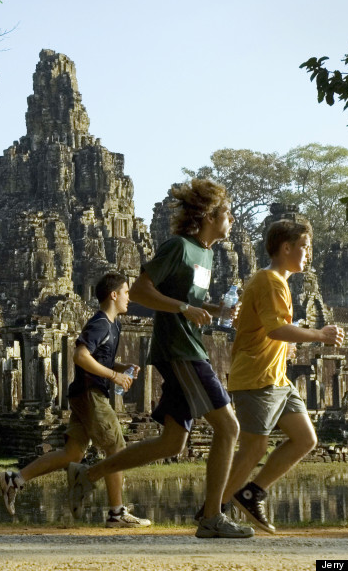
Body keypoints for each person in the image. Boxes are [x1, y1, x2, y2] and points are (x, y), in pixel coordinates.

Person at [66, 178, 254, 539]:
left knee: (172, 443)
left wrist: (217, 310)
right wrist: (184, 308)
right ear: (209, 215)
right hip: (180, 350)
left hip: (189, 345)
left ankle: (88, 473)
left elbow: (189, 303)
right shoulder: (180, 248)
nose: (231, 219)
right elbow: (139, 290)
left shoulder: (208, 255)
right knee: (228, 427)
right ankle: (212, 517)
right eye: (227, 213)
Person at [0, 272, 151, 528]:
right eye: (126, 292)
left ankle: (14, 480)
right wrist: (114, 375)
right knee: (116, 447)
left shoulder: (114, 325)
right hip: (91, 393)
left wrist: (121, 365)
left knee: (73, 453)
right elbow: (80, 356)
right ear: (113, 295)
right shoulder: (100, 323)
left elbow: (97, 357)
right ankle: (116, 513)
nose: (129, 297)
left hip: (85, 394)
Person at [221, 219, 344, 533]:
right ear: (286, 248)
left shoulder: (276, 282)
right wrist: (319, 334)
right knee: (254, 447)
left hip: (277, 377)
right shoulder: (271, 280)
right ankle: (214, 509)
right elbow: (276, 328)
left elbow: (262, 328)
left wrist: (286, 346)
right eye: (304, 246)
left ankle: (251, 493)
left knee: (305, 438)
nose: (308, 254)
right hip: (256, 376)